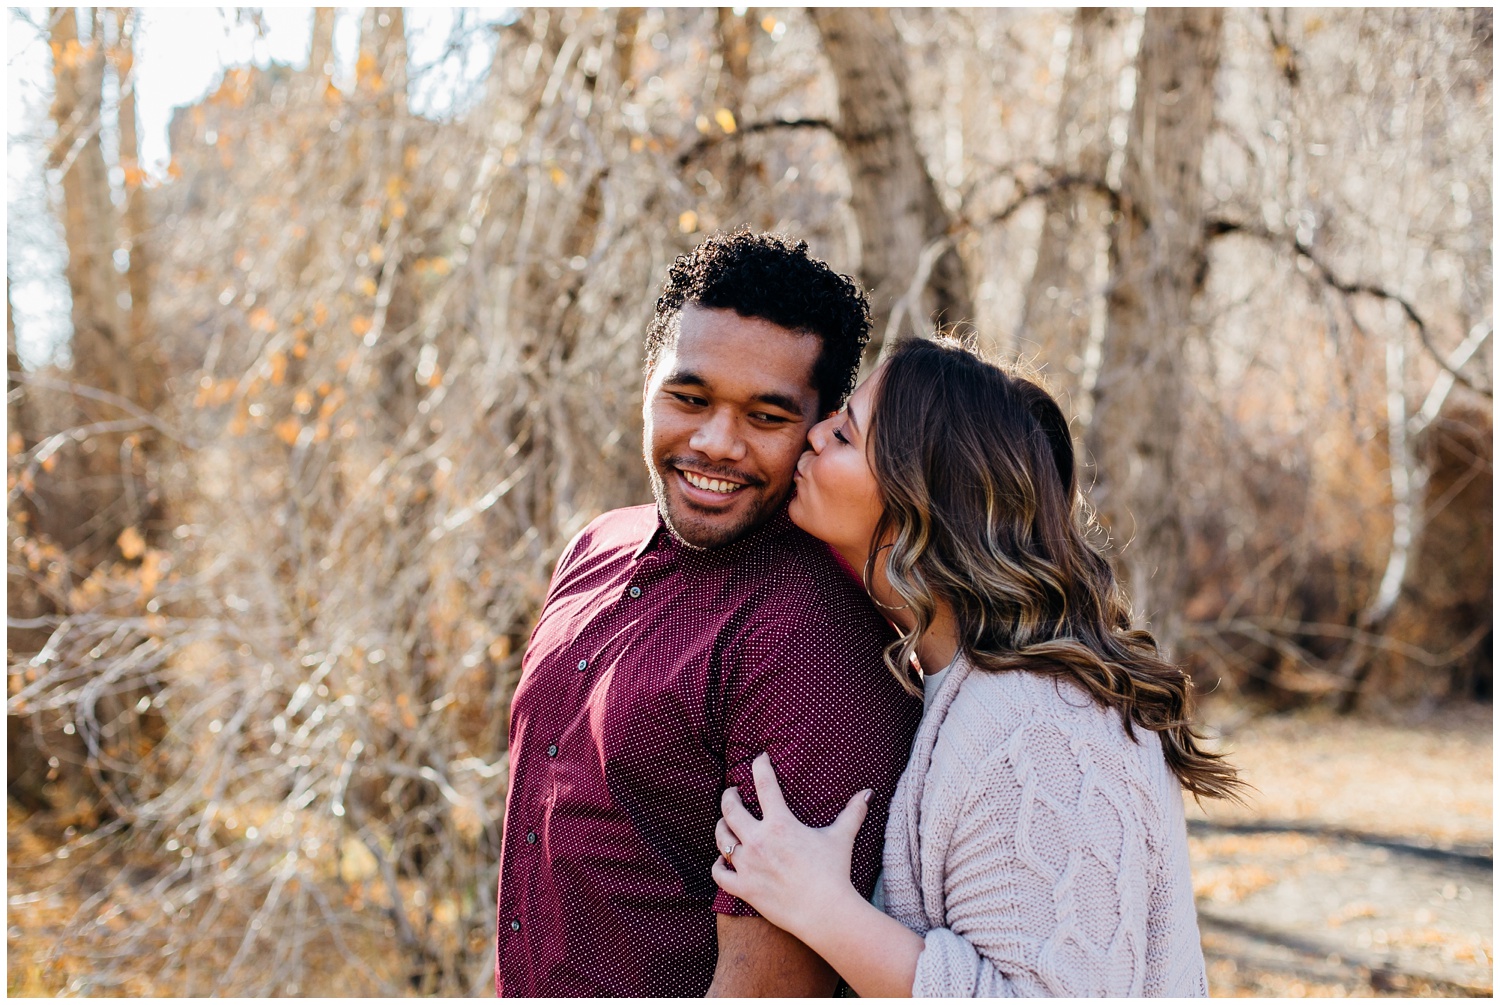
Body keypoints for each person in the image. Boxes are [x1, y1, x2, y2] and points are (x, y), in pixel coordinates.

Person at [712, 336, 1243, 997]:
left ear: (919, 508)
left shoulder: (1040, 727)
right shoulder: (974, 685)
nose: (814, 435)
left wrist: (825, 909)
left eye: (846, 434)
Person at [495, 231, 924, 996]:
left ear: (819, 430)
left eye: (765, 417)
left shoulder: (809, 639)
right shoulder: (596, 543)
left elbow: (771, 989)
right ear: (647, 383)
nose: (715, 443)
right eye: (689, 399)